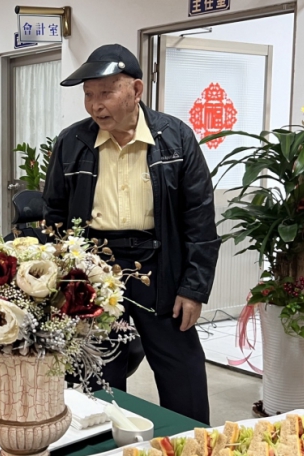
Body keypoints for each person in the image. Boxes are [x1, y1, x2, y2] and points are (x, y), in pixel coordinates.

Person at [43, 44, 220, 423]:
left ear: (136, 90)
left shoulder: (176, 138)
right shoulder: (73, 142)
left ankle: (189, 442)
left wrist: (193, 287)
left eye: (106, 93)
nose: (95, 105)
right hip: (94, 268)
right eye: (89, 95)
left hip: (161, 264)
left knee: (181, 367)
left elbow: (200, 219)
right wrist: (63, 282)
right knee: (96, 369)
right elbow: (53, 214)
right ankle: (100, 442)